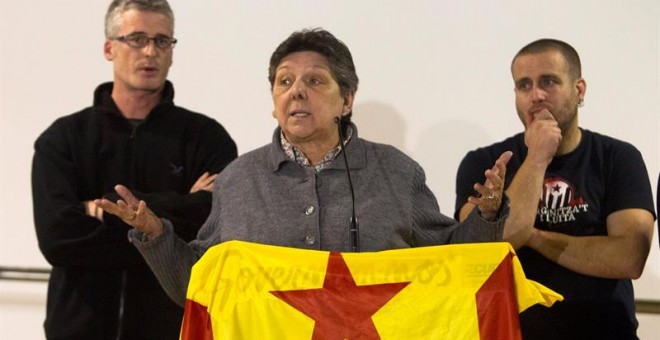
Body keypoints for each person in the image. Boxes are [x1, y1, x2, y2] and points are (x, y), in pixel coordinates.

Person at [96, 28, 554, 308]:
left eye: (315, 80)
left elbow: (453, 264)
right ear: (273, 101)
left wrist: (490, 214)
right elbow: (197, 288)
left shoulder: (396, 172)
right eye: (285, 81)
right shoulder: (238, 180)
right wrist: (157, 236)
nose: (297, 92)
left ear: (347, 98)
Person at [31, 1, 237, 339]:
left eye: (162, 41)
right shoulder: (63, 139)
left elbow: (213, 236)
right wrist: (170, 223)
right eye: (137, 38)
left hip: (173, 330)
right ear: (109, 48)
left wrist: (106, 208)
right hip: (78, 330)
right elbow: (58, 239)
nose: (150, 51)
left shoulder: (206, 139)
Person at [454, 39, 656, 339]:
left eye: (548, 81)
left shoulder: (619, 157)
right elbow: (478, 255)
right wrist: (537, 157)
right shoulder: (484, 163)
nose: (536, 95)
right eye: (524, 85)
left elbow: (628, 257)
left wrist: (531, 235)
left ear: (579, 90)